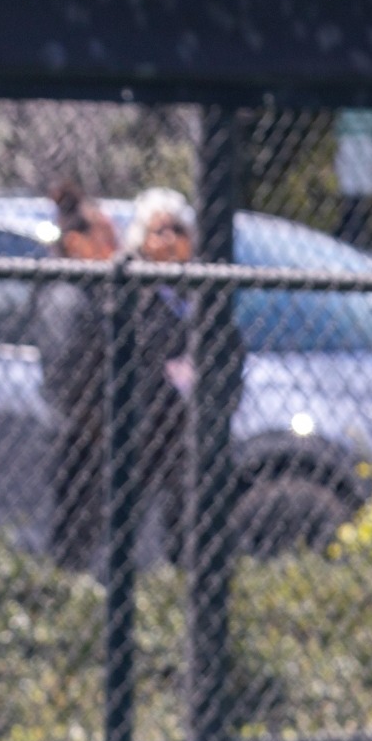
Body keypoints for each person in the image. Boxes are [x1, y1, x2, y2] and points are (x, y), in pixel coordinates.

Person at [38, 180, 120, 570]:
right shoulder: (67, 298)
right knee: (70, 546)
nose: (115, 245)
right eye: (105, 236)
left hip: (90, 440)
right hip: (74, 441)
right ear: (76, 243)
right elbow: (69, 379)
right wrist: (101, 425)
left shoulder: (95, 294)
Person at [121, 186, 202, 565]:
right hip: (144, 424)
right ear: (143, 239)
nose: (170, 240)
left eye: (178, 230)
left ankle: (180, 581)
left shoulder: (203, 293)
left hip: (192, 427)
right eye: (160, 231)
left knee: (186, 516)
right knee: (127, 512)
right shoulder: (132, 292)